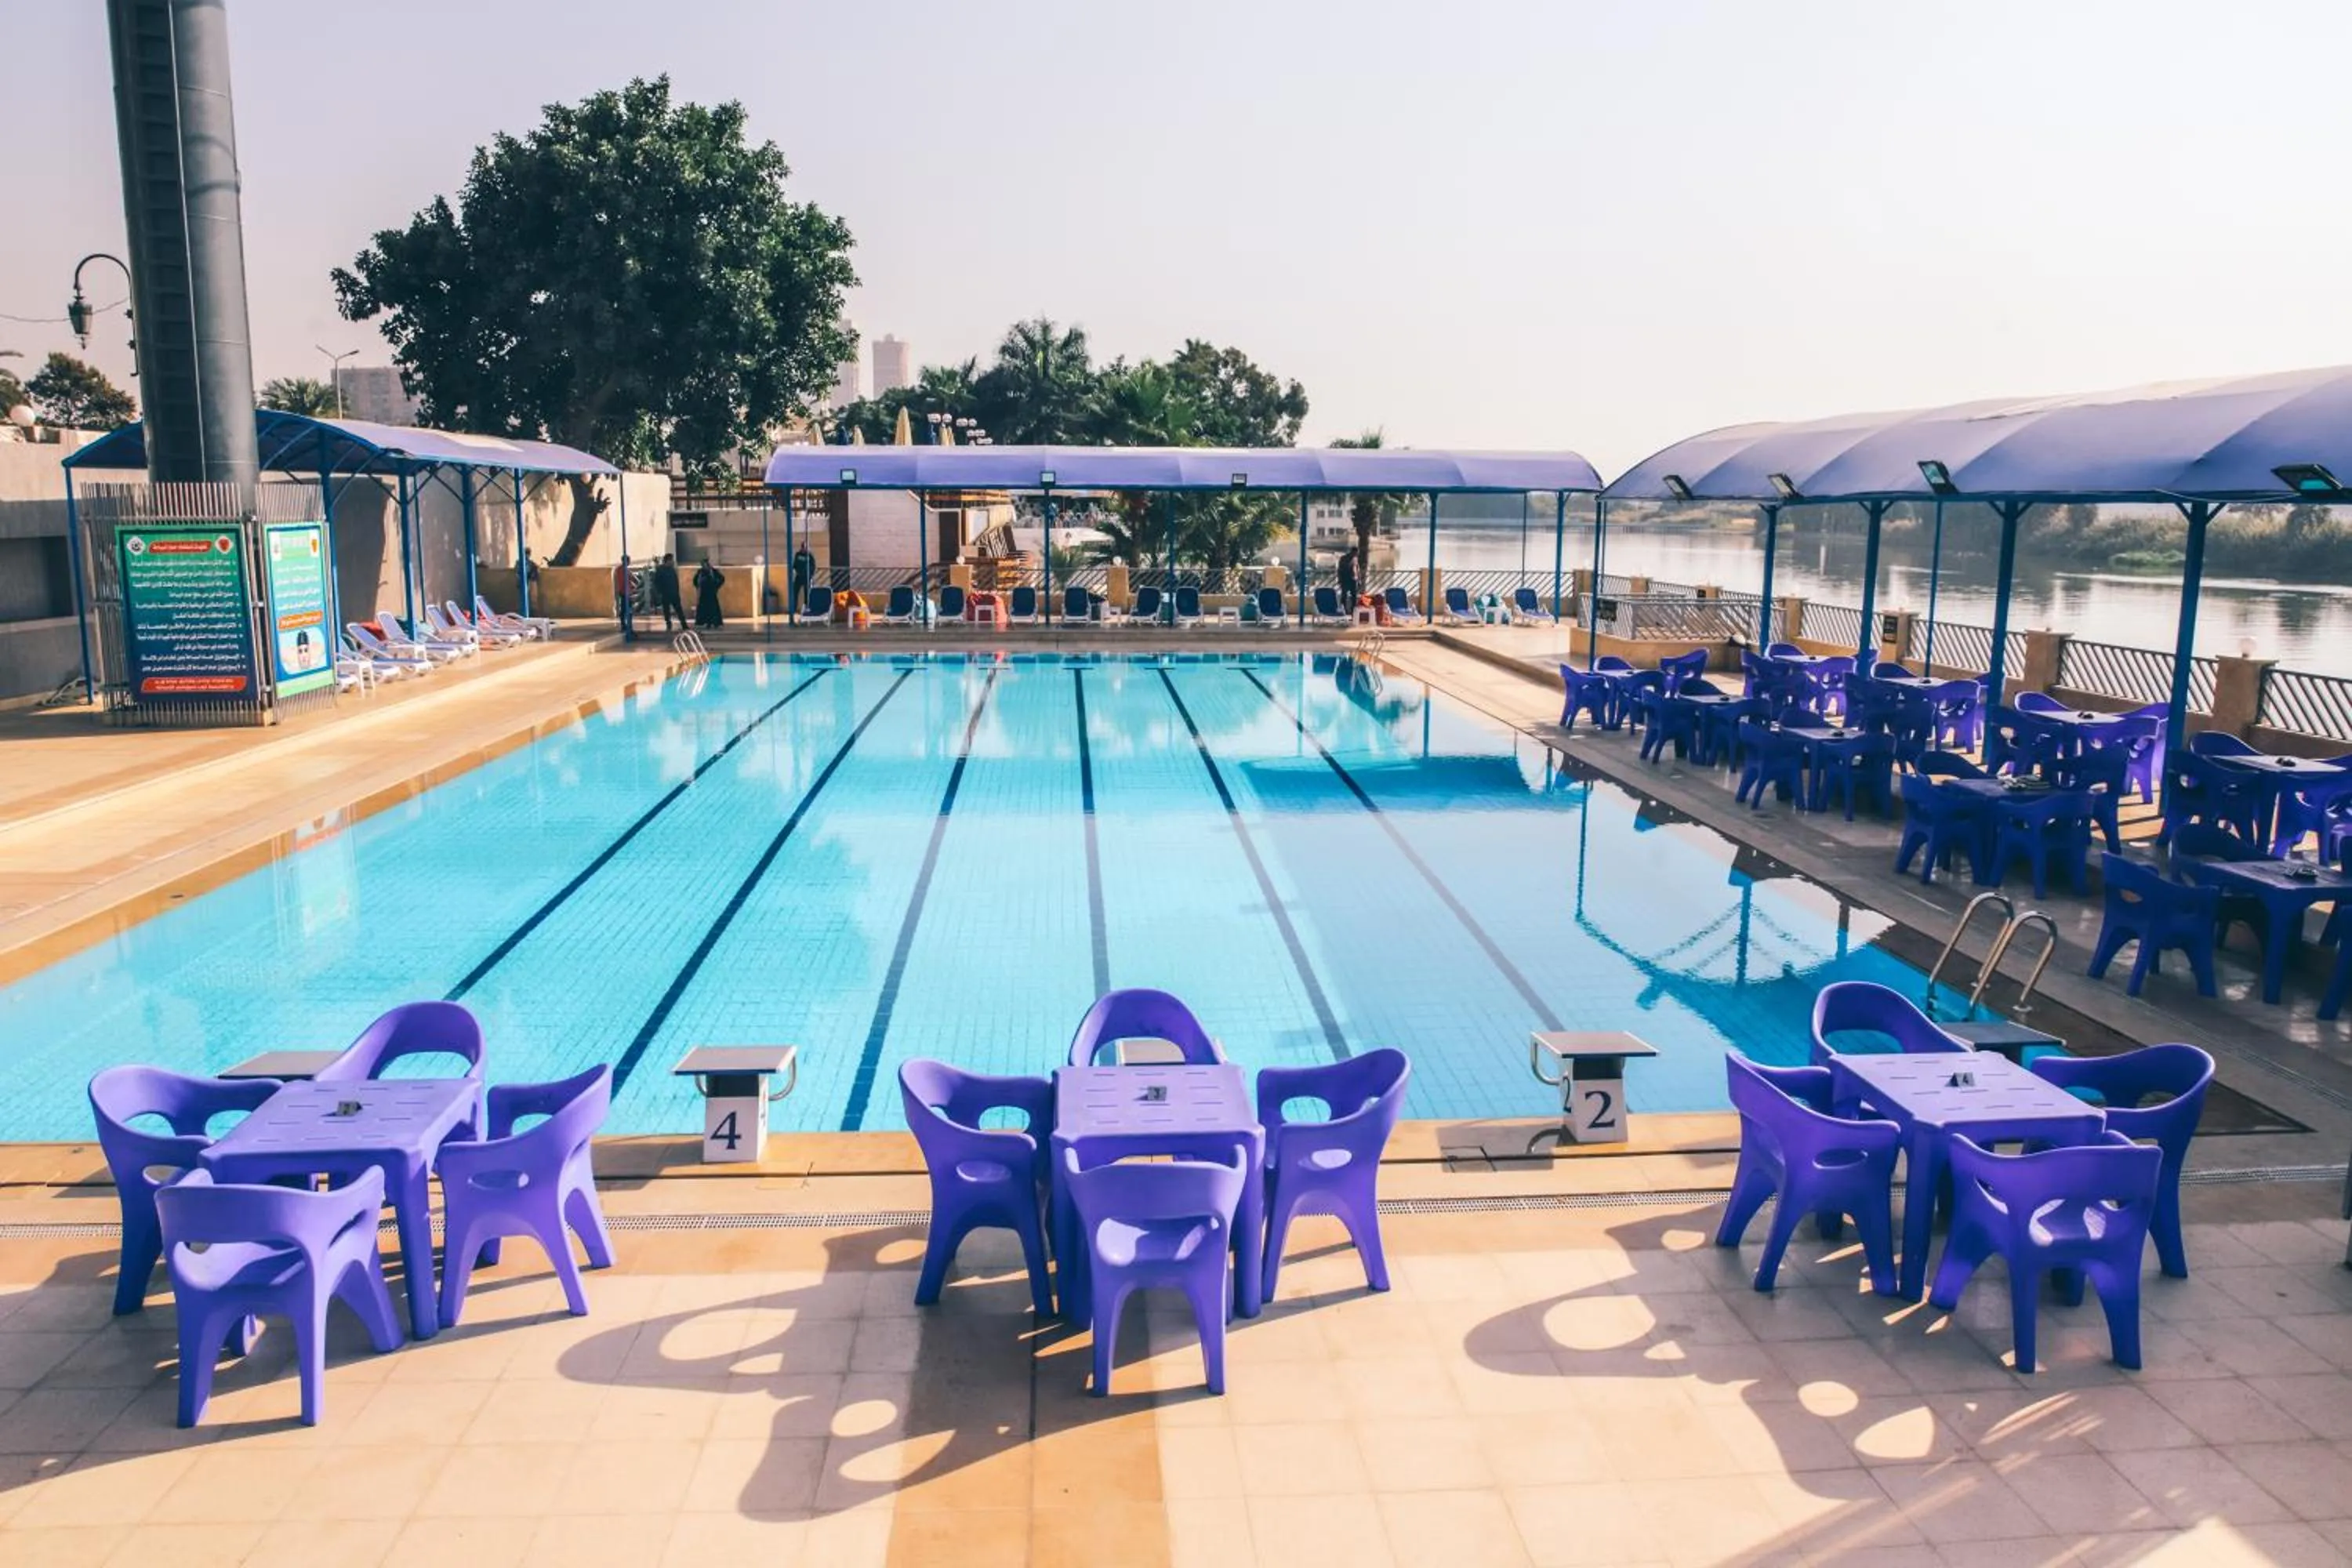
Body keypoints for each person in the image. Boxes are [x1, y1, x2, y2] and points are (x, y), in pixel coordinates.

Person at [652, 554, 686, 633]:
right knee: (666, 611)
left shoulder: (672, 570)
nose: (673, 562)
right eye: (671, 560)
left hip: (674, 593)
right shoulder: (660, 570)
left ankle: (684, 624)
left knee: (679, 610)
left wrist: (677, 591)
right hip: (665, 594)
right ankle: (668, 624)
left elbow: (675, 581)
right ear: (668, 560)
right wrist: (659, 593)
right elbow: (656, 582)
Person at [694, 559, 726, 629]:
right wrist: (698, 587)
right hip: (704, 594)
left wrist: (717, 586)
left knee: (714, 609)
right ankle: (706, 622)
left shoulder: (713, 571)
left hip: (712, 593)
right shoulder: (700, 572)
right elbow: (695, 581)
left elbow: (722, 578)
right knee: (705, 609)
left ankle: (715, 623)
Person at [612, 555, 636, 641]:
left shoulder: (620, 570)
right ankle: (626, 625)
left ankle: (625, 625)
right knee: (627, 610)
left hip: (625, 592)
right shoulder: (624, 570)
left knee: (626, 610)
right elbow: (624, 581)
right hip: (625, 592)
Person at [790, 544, 815, 610]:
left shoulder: (810, 555)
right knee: (795, 592)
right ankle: (794, 608)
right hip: (799, 576)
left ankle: (806, 608)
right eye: (803, 548)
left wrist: (811, 575)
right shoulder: (798, 555)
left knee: (807, 593)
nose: (804, 549)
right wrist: (794, 571)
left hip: (807, 577)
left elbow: (813, 566)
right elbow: (794, 564)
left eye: (805, 548)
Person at [1337, 546, 1359, 611]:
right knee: (1344, 596)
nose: (1355, 554)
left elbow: (1357, 569)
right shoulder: (1344, 558)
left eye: (1356, 553)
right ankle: (1343, 610)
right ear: (1351, 552)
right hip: (1345, 579)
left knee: (1354, 596)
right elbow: (1340, 570)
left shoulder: (1355, 559)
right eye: (1355, 553)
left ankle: (1354, 610)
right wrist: (1339, 579)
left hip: (1354, 580)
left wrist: (1359, 579)